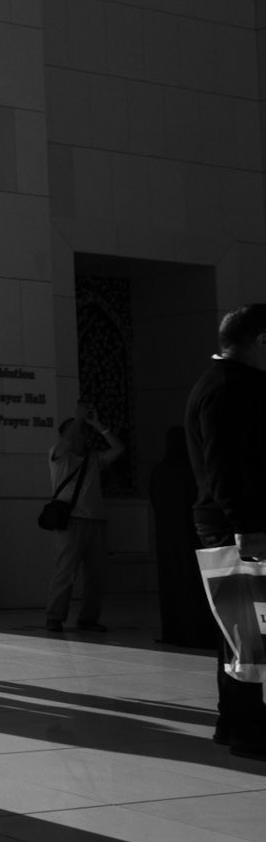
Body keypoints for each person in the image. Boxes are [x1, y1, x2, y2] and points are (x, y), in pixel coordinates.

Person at [186, 304, 266, 757]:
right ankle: (246, 728)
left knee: (239, 629)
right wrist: (247, 526)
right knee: (246, 630)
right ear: (261, 340)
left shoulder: (229, 384)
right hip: (238, 527)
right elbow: (225, 466)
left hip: (235, 522)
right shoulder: (226, 388)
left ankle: (236, 723)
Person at [43, 401, 124, 634]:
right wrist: (78, 419)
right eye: (76, 433)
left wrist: (97, 424)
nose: (80, 437)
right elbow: (66, 442)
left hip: (96, 521)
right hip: (71, 521)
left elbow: (118, 449)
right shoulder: (58, 456)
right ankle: (54, 617)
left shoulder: (93, 458)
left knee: (97, 576)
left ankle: (88, 619)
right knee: (65, 571)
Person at [149, 425, 219, 649]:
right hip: (191, 534)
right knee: (194, 583)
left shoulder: (159, 471)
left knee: (171, 582)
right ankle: (198, 631)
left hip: (166, 537)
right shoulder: (193, 470)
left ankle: (174, 630)